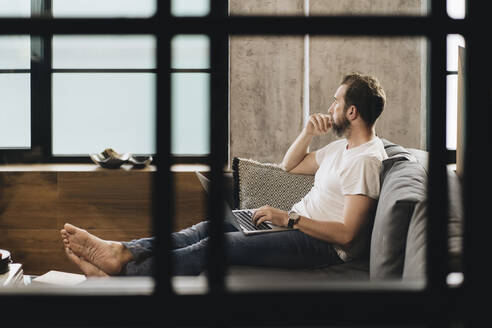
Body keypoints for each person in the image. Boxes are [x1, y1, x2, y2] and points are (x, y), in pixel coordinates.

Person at [60, 72, 388, 277]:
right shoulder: (341, 148)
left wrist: (288, 219)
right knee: (208, 227)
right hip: (298, 226)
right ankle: (122, 251)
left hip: (318, 245)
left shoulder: (365, 161)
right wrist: (306, 133)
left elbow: (347, 236)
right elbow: (291, 165)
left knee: (215, 245)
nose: (330, 108)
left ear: (351, 111)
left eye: (335, 102)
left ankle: (124, 276)